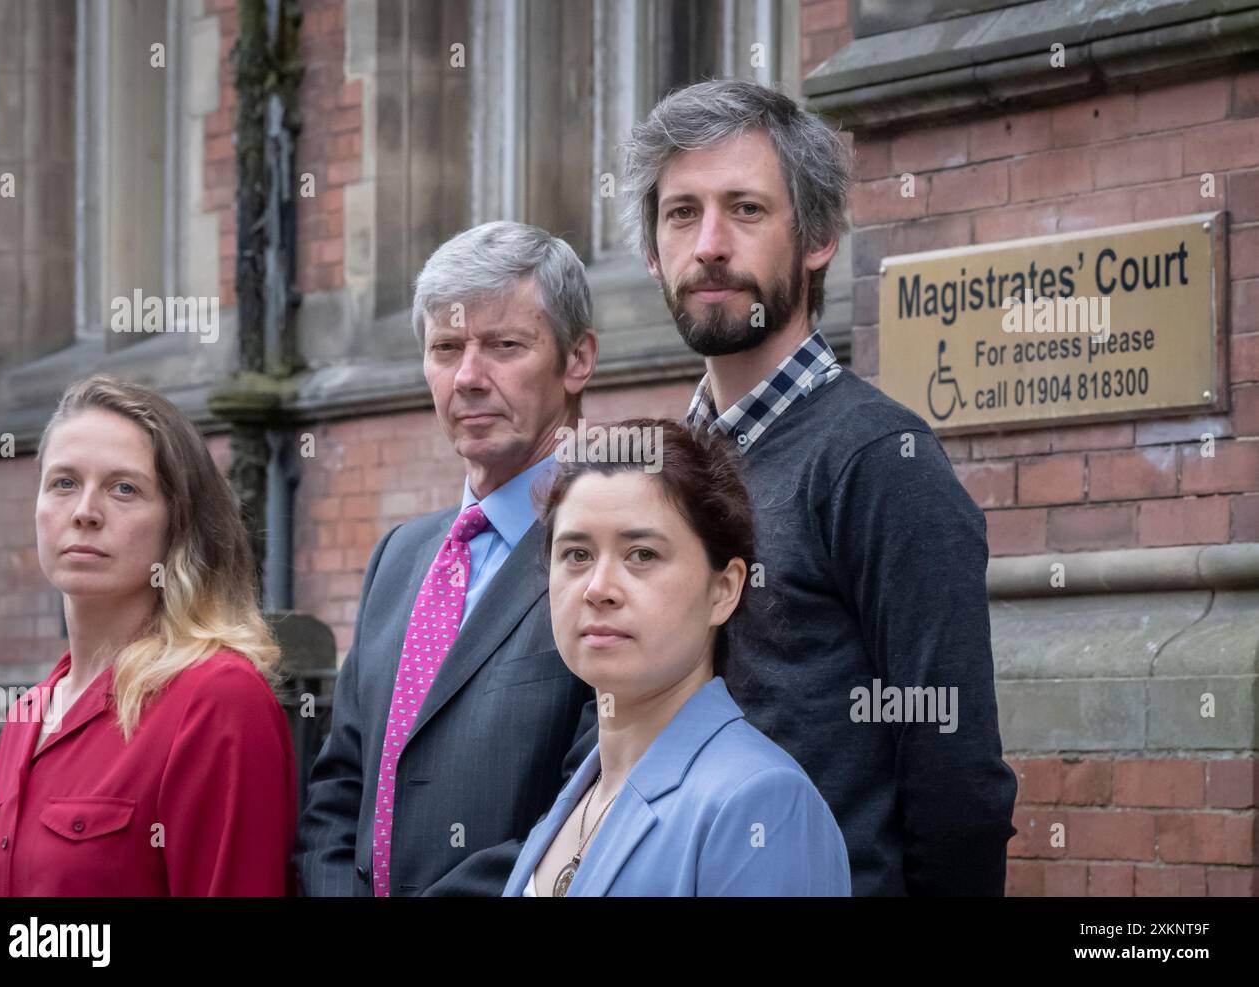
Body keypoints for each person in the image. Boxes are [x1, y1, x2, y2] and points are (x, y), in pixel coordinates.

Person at [620, 78, 1017, 895]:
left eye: (747, 209)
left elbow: (959, 785)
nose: (711, 245)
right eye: (682, 213)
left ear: (820, 236)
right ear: (652, 251)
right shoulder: (662, 471)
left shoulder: (880, 461)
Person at [296, 221, 601, 896]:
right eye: (446, 348)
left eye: (504, 346)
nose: (467, 377)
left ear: (577, 359)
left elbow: (586, 807)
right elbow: (339, 787)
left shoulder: (609, 556)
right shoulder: (400, 556)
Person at [0, 375, 295, 896]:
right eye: (63, 483)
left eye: (124, 488)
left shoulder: (216, 700)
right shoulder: (28, 714)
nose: (84, 511)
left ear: (178, 526)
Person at [505, 418, 850, 897]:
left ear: (723, 589)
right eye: (577, 554)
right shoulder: (575, 797)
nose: (598, 588)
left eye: (642, 554)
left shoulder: (760, 802)